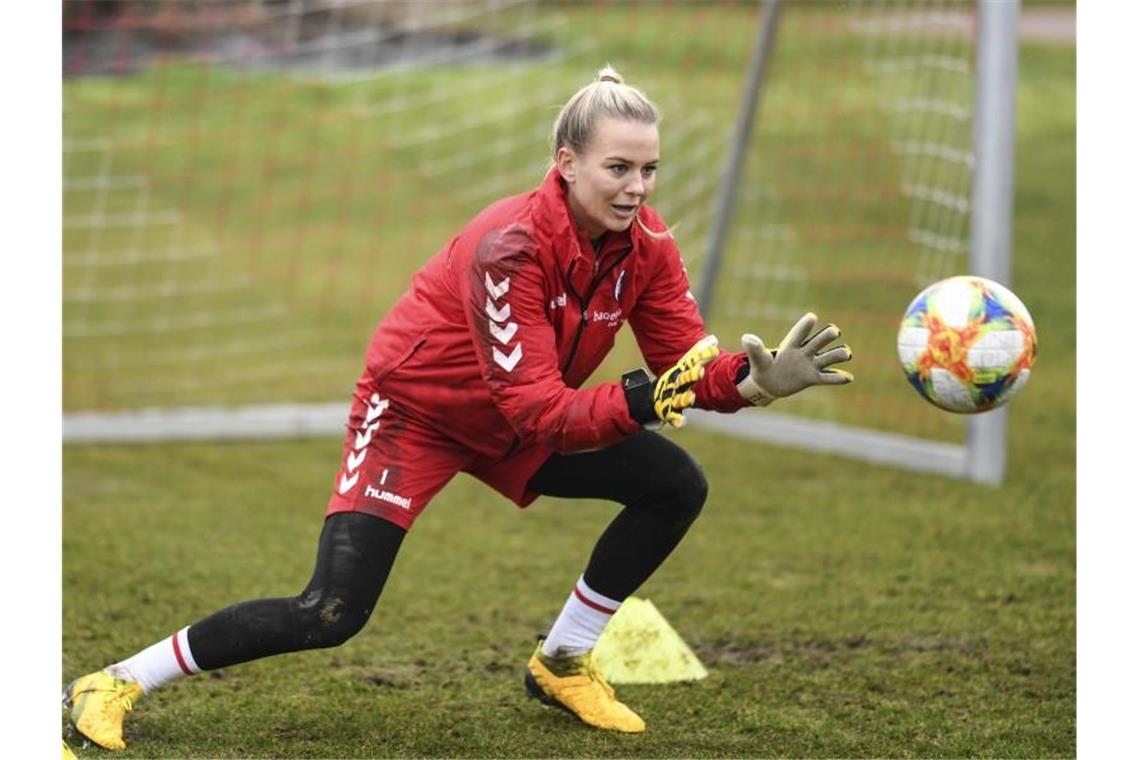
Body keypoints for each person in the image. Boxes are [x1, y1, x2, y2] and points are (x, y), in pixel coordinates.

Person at [63, 66, 853, 747]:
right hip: (418, 415)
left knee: (674, 483)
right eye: (619, 168)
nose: (638, 188)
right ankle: (115, 681)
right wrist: (654, 396)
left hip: (520, 416)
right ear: (566, 163)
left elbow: (684, 369)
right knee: (332, 610)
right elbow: (550, 412)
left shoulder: (647, 244)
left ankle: (562, 663)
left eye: (649, 169)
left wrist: (752, 383)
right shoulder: (507, 245)